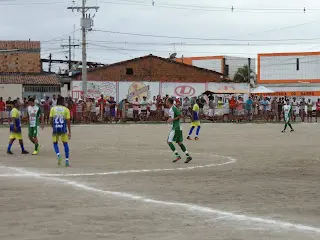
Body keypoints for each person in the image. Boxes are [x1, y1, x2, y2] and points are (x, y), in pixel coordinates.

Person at [166, 98, 192, 164]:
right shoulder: (171, 109)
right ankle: (188, 156)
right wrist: (169, 119)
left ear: (169, 102)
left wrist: (172, 119)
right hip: (178, 127)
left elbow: (181, 115)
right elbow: (172, 117)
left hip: (176, 127)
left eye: (166, 102)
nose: (165, 103)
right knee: (179, 142)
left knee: (169, 141)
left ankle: (178, 155)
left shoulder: (173, 108)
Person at [50, 96, 71, 167]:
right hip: (63, 128)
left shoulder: (53, 109)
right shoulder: (66, 109)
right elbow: (68, 121)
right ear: (62, 102)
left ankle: (58, 155)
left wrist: (53, 127)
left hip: (56, 128)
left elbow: (50, 119)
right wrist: (69, 131)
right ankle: (67, 160)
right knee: (65, 143)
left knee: (55, 143)